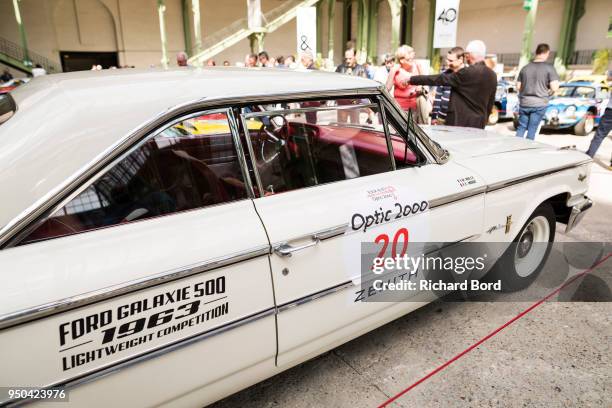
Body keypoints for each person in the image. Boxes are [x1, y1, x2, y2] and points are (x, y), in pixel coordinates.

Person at [408, 40, 497, 129]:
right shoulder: (492, 75)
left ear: (469, 55)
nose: (466, 58)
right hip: (479, 125)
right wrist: (484, 120)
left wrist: (412, 79)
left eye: (467, 55)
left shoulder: (466, 73)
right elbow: (490, 103)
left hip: (459, 124)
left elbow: (439, 79)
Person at [515, 43, 560, 140]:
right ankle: (527, 151)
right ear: (547, 53)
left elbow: (518, 86)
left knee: (521, 127)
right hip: (539, 104)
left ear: (536, 52)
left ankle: (515, 148)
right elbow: (555, 87)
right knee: (532, 129)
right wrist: (548, 92)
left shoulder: (525, 68)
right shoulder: (549, 68)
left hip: (525, 103)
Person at [431, 47, 465, 125]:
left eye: (451, 61)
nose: (447, 63)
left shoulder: (467, 75)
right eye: (447, 59)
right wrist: (434, 117)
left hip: (458, 120)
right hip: (441, 119)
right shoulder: (444, 75)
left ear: (460, 60)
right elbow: (438, 98)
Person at [386, 45, 423, 113]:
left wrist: (420, 86)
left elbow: (424, 83)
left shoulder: (417, 67)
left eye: (412, 58)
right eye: (409, 59)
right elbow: (387, 89)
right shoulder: (396, 70)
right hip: (400, 109)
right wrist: (392, 72)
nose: (412, 61)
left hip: (415, 108)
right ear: (402, 60)